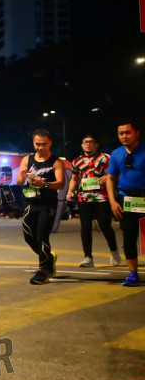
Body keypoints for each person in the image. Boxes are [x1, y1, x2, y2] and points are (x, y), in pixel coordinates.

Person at [16, 129, 65, 285]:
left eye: (44, 144)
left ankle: (43, 271)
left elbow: (61, 184)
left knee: (42, 236)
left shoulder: (56, 162)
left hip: (47, 204)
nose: (40, 147)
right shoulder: (27, 159)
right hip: (30, 203)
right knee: (28, 236)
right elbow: (19, 182)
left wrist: (44, 184)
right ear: (33, 143)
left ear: (50, 143)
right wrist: (22, 175)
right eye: (37, 144)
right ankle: (48, 257)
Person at [65, 134, 120, 267]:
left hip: (102, 197)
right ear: (82, 145)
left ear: (96, 145)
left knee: (105, 226)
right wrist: (70, 191)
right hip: (84, 198)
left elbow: (117, 173)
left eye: (91, 142)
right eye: (85, 142)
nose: (88, 144)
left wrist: (108, 177)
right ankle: (88, 257)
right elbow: (74, 179)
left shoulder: (105, 158)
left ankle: (114, 252)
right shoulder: (76, 161)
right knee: (85, 228)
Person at [106, 119, 145, 286]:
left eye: (128, 132)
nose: (124, 136)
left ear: (137, 133)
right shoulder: (116, 154)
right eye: (121, 133)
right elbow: (110, 178)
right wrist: (113, 201)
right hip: (126, 199)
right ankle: (133, 273)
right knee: (128, 236)